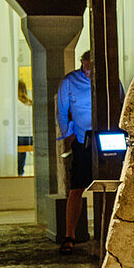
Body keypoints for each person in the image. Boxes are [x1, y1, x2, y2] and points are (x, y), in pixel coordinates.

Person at [56, 51, 93, 254]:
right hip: (81, 140)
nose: (89, 71)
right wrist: (68, 137)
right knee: (77, 188)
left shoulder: (109, 79)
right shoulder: (70, 81)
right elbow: (62, 111)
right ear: (82, 64)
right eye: (86, 67)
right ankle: (70, 234)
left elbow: (120, 102)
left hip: (104, 139)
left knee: (110, 186)